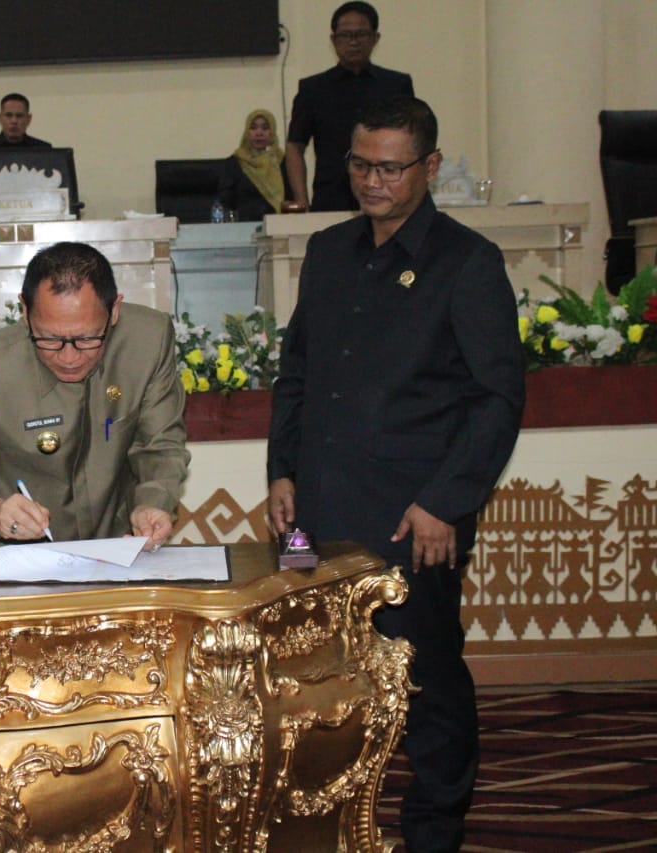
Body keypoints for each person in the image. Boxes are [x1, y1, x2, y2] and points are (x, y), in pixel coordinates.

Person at [267, 96, 525, 852]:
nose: (371, 180)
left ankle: (435, 825)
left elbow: (497, 397)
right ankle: (324, 816)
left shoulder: (468, 263)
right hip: (311, 513)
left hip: (413, 522)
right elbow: (298, 374)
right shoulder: (326, 250)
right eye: (358, 164)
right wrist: (282, 471)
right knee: (312, 672)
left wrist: (446, 502)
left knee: (425, 679)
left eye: (390, 166)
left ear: (430, 167)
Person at [0, 241, 189, 551]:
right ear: (24, 311)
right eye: (49, 339)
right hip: (23, 557)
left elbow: (161, 444)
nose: (69, 357)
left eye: (87, 339)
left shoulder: (147, 341)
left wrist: (152, 503)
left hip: (121, 547)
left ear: (114, 310)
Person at [284, 2, 414, 212]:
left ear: (375, 38)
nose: (353, 42)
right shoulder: (313, 88)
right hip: (331, 197)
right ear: (333, 40)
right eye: (346, 35)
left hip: (387, 195)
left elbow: (412, 142)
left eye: (361, 34)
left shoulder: (396, 85)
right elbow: (294, 147)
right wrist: (301, 202)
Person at [217, 108, 290, 222]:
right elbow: (225, 202)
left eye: (265, 128)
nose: (259, 133)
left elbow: (291, 200)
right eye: (253, 127)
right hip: (243, 228)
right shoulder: (235, 162)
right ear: (247, 132)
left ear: (272, 132)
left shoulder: (281, 161)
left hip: (279, 227)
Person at [0, 93, 52, 177]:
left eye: (19, 116)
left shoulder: (43, 150)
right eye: (8, 115)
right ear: (0, 118)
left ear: (28, 119)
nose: (14, 121)